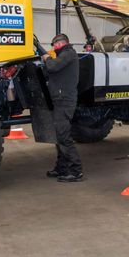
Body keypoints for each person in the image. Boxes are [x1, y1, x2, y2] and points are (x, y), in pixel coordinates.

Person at [42, 33, 84, 182]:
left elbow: (52, 66)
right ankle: (62, 168)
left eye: (54, 45)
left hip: (65, 101)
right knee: (60, 136)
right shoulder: (63, 56)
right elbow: (49, 70)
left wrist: (47, 58)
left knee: (64, 136)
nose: (53, 48)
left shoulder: (69, 54)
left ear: (60, 44)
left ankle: (76, 171)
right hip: (59, 100)